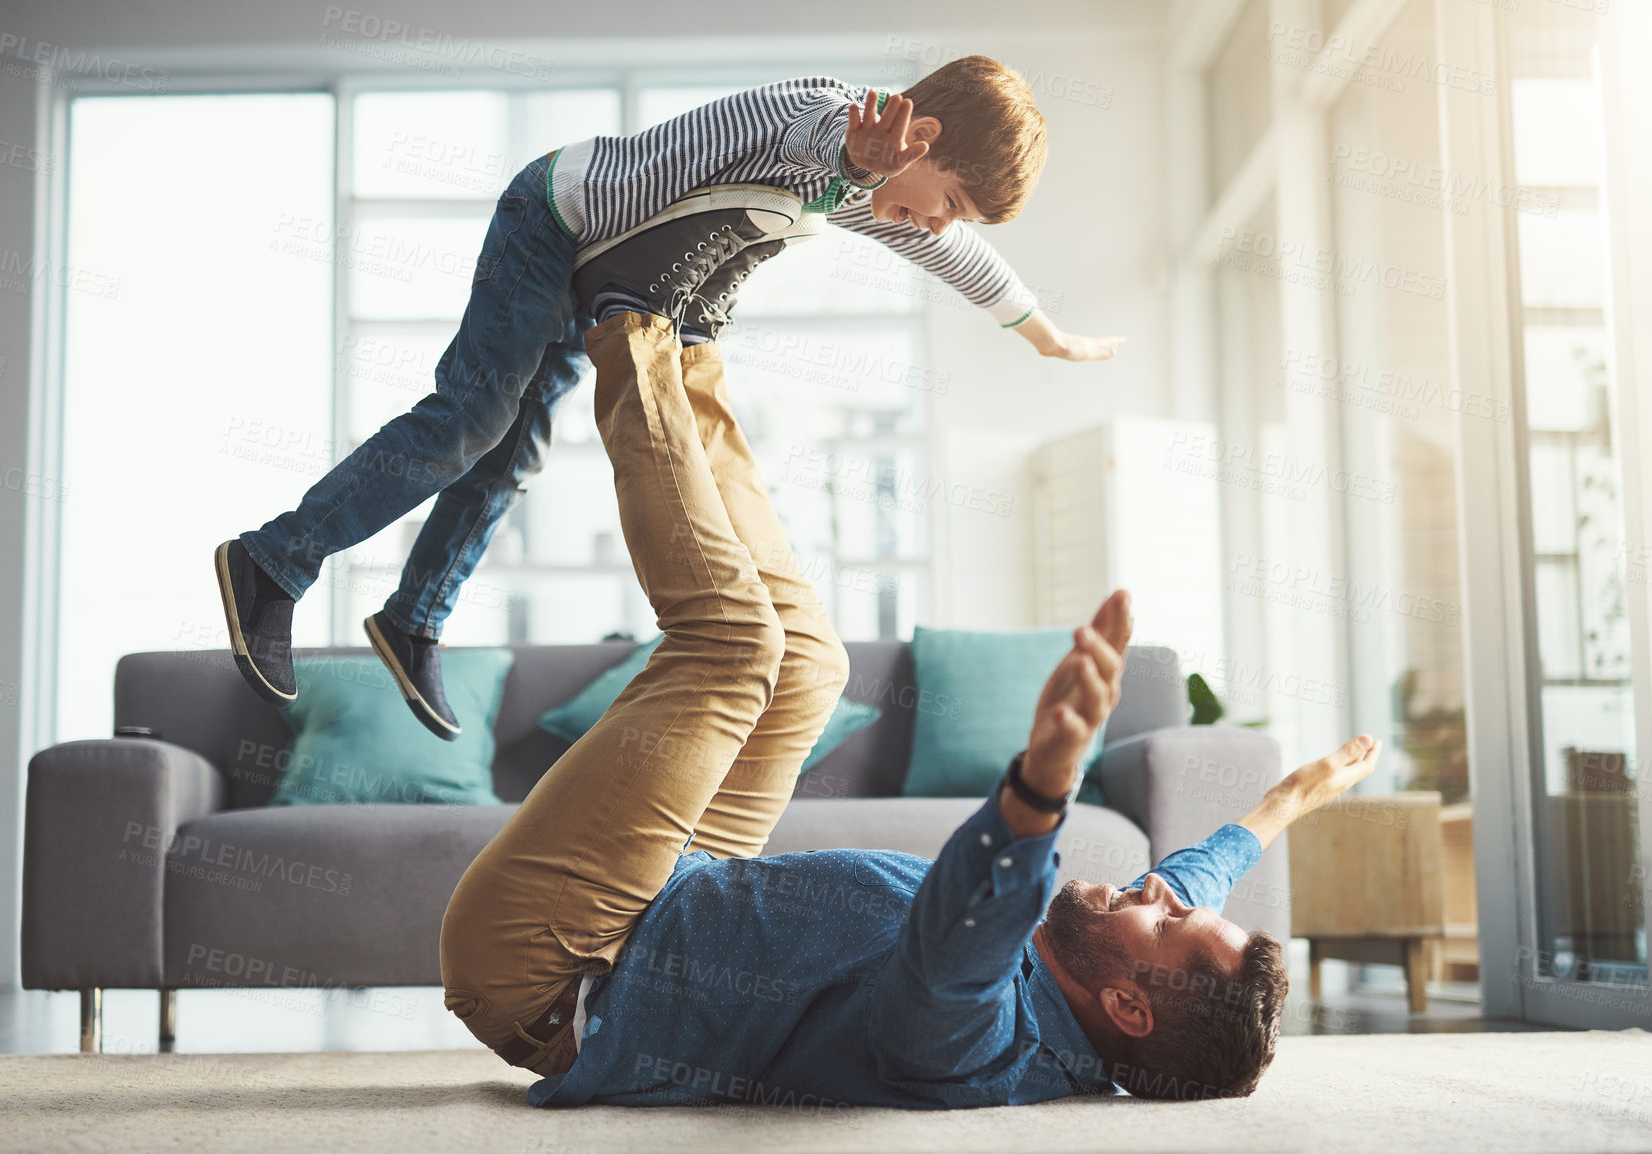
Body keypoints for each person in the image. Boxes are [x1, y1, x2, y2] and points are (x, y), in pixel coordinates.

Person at [436, 244, 1382, 1106]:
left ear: (1129, 1009)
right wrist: (1290, 800)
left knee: (730, 648)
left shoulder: (974, 1043)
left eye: (1168, 924)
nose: (1155, 892)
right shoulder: (1111, 961)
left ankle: (624, 321)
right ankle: (689, 345)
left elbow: (953, 948)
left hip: (562, 968)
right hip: (678, 890)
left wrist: (1043, 785)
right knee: (810, 665)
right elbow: (1190, 882)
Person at [214, 55, 1125, 740]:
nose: (937, 225)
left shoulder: (869, 190)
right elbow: (819, 150)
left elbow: (949, 254)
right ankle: (273, 562)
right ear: (918, 139)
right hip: (553, 221)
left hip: (600, 286)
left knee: (510, 463)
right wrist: (854, 159)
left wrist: (1046, 334)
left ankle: (412, 618)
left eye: (956, 217)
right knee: (471, 420)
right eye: (948, 198)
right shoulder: (817, 119)